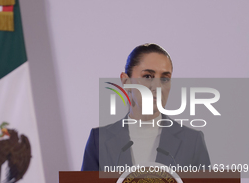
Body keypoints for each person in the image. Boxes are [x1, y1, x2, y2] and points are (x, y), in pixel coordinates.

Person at [81, 43, 210, 171]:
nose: (157, 87)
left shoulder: (192, 142)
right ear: (126, 82)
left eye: (165, 78)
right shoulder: (98, 141)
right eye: (147, 76)